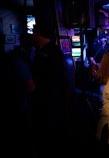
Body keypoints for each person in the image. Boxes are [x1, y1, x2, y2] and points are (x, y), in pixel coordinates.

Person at [30, 24, 68, 156]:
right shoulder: (49, 50)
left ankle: (49, 149)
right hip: (48, 93)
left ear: (39, 33)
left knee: (48, 121)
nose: (32, 35)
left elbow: (51, 75)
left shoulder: (51, 52)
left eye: (34, 32)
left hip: (49, 93)